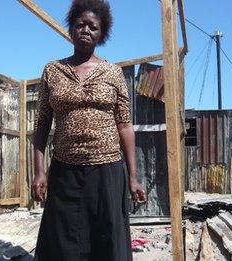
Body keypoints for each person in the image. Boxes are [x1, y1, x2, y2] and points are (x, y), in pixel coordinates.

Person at [31, 0, 146, 260]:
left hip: (107, 170)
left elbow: (125, 126)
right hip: (64, 170)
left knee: (107, 237)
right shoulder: (53, 71)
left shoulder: (114, 73)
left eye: (93, 27)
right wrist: (39, 172)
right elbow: (41, 126)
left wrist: (133, 176)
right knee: (63, 240)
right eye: (80, 24)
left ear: (101, 34)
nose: (85, 30)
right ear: (71, 29)